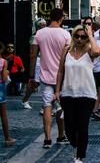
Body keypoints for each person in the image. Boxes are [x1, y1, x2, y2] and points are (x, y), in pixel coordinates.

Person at [54, 25, 100, 163]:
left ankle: (80, 155)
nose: (80, 39)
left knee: (82, 126)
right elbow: (60, 71)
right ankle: (75, 146)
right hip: (68, 94)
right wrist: (57, 90)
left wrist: (91, 35)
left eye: (83, 37)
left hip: (86, 94)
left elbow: (97, 51)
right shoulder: (67, 50)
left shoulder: (89, 51)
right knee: (69, 127)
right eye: (77, 36)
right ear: (73, 36)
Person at [29, 8, 70, 148]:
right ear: (60, 19)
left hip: (45, 77)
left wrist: (31, 76)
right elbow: (68, 57)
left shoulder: (39, 34)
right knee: (60, 107)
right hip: (62, 77)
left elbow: (33, 55)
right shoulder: (65, 35)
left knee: (47, 106)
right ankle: (60, 135)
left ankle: (47, 139)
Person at [22, 18, 47, 109]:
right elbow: (32, 52)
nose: (44, 26)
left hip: (46, 60)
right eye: (41, 25)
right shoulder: (35, 36)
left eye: (45, 24)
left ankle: (46, 104)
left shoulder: (46, 35)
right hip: (39, 60)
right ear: (37, 26)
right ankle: (25, 100)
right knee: (35, 83)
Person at [0, 42, 15, 146]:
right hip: (0, 90)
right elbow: (4, 78)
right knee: (3, 115)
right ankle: (7, 138)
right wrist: (7, 73)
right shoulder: (3, 62)